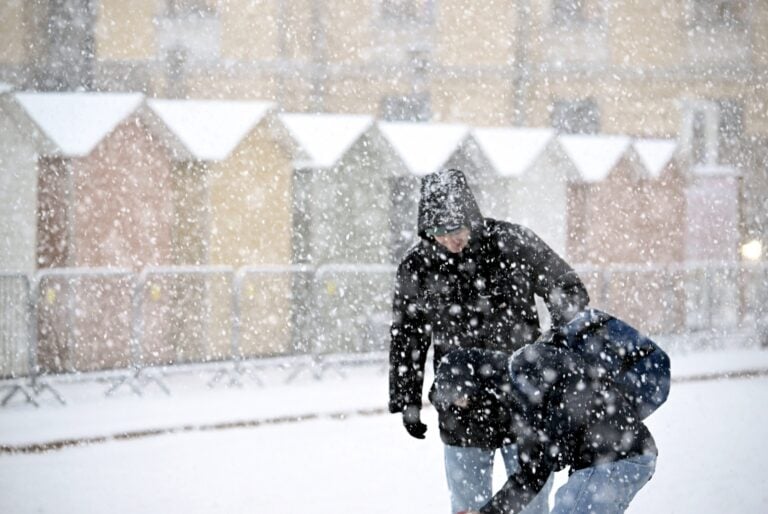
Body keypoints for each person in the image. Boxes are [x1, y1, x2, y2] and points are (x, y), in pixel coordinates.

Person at [388, 168, 590, 513]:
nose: (451, 239)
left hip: (525, 401)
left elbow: (568, 290)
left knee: (530, 504)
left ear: (472, 216)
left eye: (457, 228)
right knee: (469, 507)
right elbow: (408, 336)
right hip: (462, 404)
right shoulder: (418, 266)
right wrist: (407, 398)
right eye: (439, 232)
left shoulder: (512, 244)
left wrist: (555, 352)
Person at [432, 314, 663, 514]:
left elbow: (539, 464)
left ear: (475, 382)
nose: (470, 408)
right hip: (621, 459)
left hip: (613, 459)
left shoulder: (527, 375)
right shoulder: (518, 380)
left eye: (465, 399)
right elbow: (534, 470)